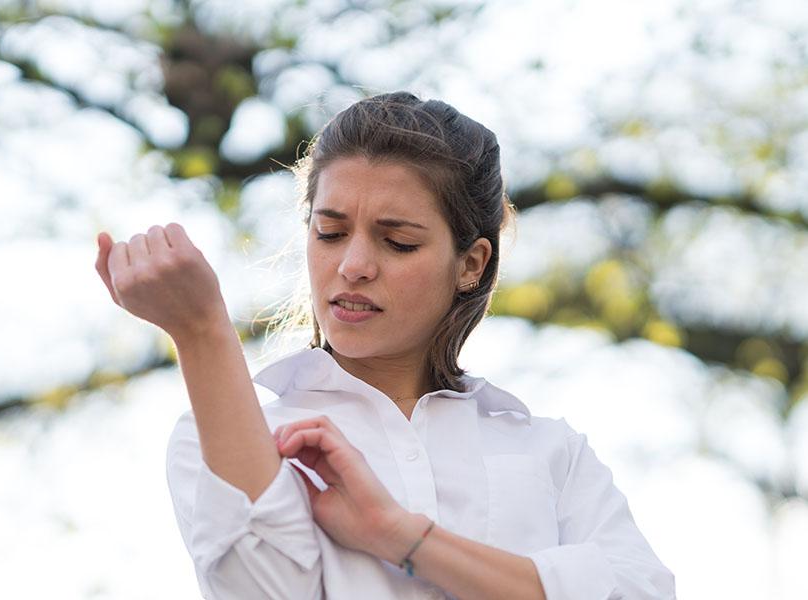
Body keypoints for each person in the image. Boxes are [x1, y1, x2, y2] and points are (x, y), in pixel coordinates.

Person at [94, 91, 676, 599]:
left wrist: (400, 535)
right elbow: (260, 590)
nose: (352, 266)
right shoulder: (224, 437)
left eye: (397, 242)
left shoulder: (551, 453)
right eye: (330, 233)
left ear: (471, 264)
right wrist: (201, 332)